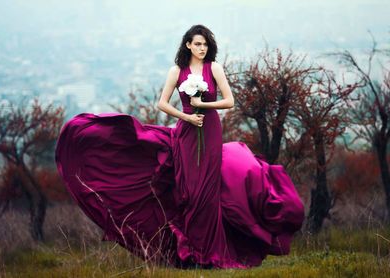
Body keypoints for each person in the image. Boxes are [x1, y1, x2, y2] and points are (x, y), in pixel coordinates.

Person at [55, 24, 305, 269]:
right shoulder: (177, 71)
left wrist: (202, 105)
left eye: (205, 44)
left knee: (207, 193)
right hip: (186, 131)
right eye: (197, 44)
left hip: (209, 130)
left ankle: (208, 254)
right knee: (191, 192)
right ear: (188, 45)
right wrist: (186, 116)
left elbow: (229, 101)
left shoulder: (214, 68)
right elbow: (162, 104)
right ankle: (194, 253)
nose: (202, 48)